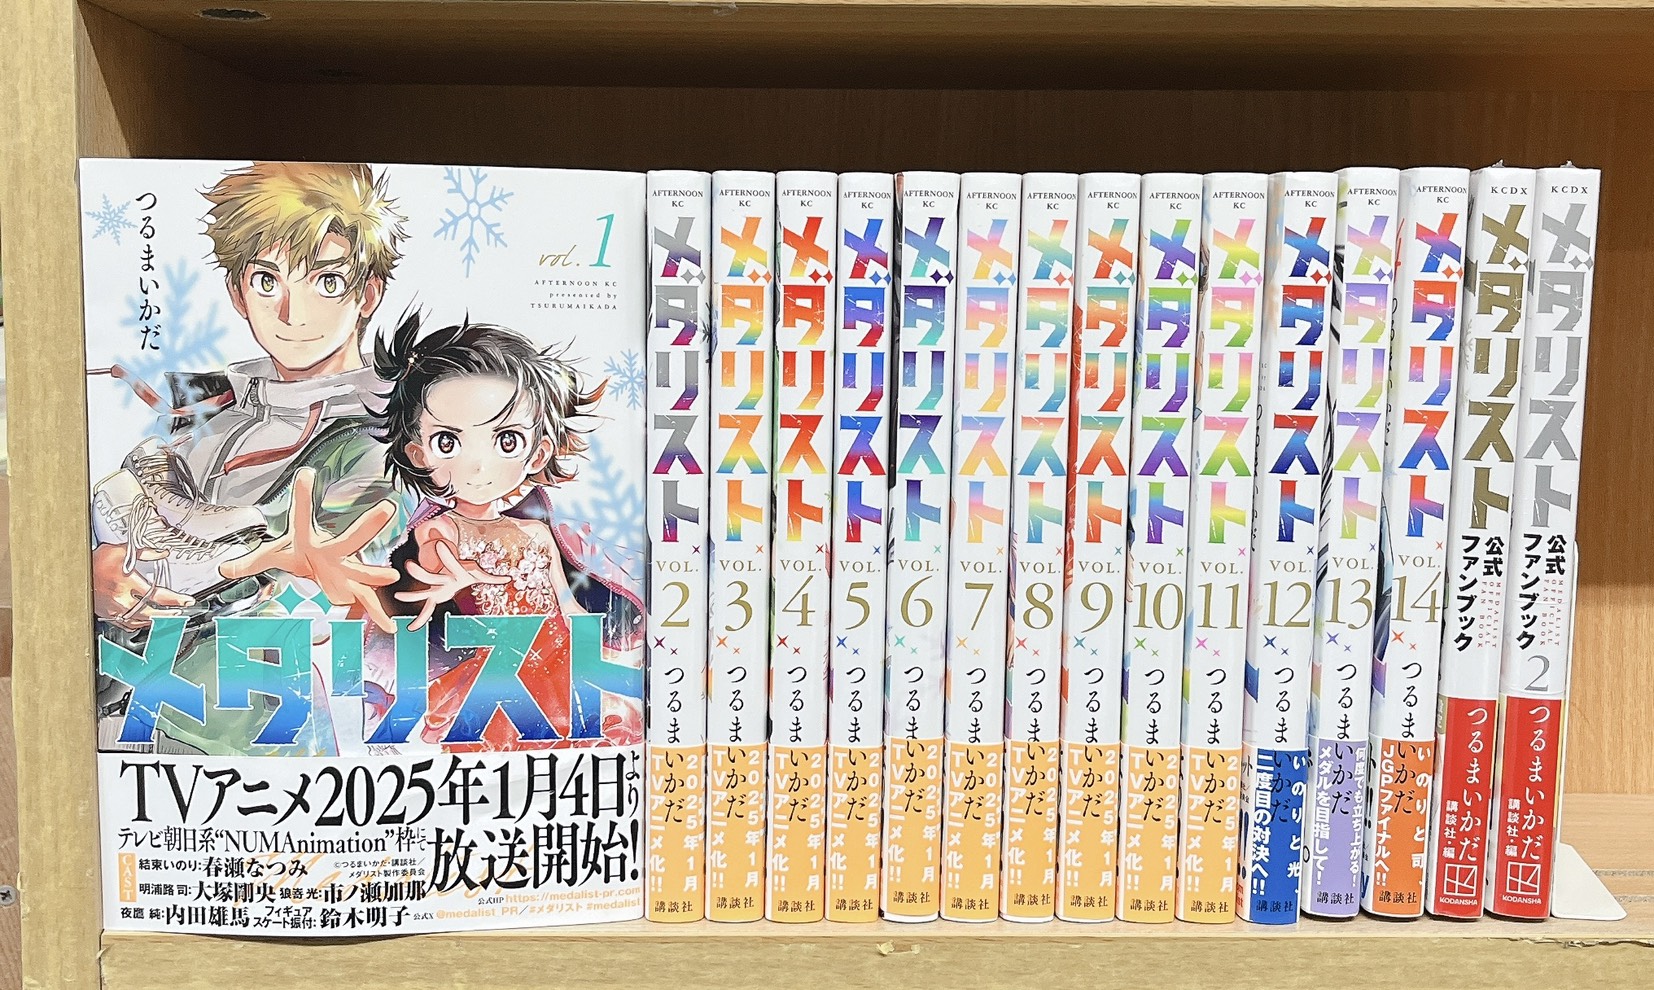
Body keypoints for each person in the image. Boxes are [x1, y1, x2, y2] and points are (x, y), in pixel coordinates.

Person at [91, 162, 408, 756]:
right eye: (267, 280)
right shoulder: (209, 398)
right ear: (238, 292)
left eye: (326, 282)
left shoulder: (386, 431)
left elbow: (307, 576)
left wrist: (155, 556)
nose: (293, 313)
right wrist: (100, 569)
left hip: (253, 723)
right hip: (132, 703)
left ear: (367, 293)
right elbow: (114, 497)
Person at [369, 312, 643, 751]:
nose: (479, 464)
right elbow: (428, 578)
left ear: (538, 454)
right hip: (499, 669)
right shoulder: (442, 530)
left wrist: (600, 652)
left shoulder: (537, 532)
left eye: (507, 440)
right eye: (448, 442)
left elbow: (568, 604)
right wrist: (449, 584)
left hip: (560, 658)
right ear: (418, 454)